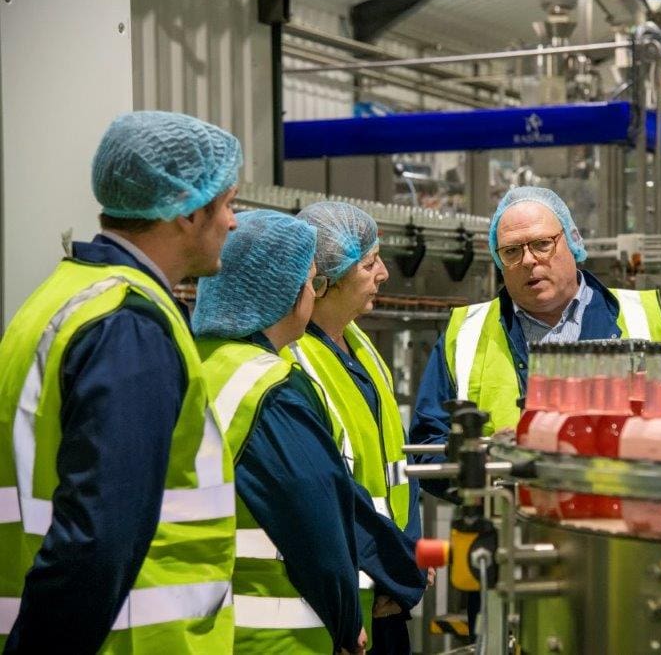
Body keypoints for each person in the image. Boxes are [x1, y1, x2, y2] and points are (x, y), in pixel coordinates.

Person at [0, 111, 240, 652]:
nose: (233, 222)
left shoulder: (62, 295)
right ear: (187, 210)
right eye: (228, 204)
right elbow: (98, 537)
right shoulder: (130, 325)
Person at [193, 209, 421, 654]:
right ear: (286, 291)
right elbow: (316, 513)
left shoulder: (196, 359)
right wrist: (347, 615)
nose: (312, 295)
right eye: (310, 282)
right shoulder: (271, 384)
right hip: (282, 631)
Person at [411, 185, 661, 490]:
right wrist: (488, 462)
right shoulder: (466, 332)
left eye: (542, 244)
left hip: (621, 510)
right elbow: (427, 448)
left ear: (572, 241)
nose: (528, 260)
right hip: (506, 514)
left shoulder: (643, 319)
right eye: (512, 251)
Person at [291, 201, 428, 654]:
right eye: (369, 264)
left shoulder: (361, 344)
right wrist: (398, 569)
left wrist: (410, 555)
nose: (384, 273)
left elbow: (396, 470)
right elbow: (329, 493)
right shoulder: (296, 361)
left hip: (390, 592)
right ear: (323, 281)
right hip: (344, 605)